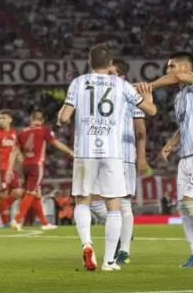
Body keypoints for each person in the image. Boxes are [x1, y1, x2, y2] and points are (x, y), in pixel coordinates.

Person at [59, 43, 157, 272]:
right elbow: (151, 111)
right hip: (113, 153)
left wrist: (61, 118)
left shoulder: (79, 82)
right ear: (110, 63)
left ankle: (87, 243)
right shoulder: (122, 85)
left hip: (85, 151)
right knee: (115, 206)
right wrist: (148, 98)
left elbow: (64, 117)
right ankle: (109, 261)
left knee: (82, 200)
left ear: (88, 61)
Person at [142, 51, 193, 268]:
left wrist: (149, 85)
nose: (168, 71)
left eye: (171, 67)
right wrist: (170, 144)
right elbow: (184, 126)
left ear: (185, 68)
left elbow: (176, 78)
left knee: (191, 201)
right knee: (183, 206)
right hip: (186, 157)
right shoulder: (179, 98)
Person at [109, 58, 146, 266]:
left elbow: (141, 131)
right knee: (104, 203)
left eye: (112, 73)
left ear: (122, 77)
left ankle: (123, 250)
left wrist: (141, 156)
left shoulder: (132, 96)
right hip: (105, 156)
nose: (108, 77)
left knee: (123, 203)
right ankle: (123, 235)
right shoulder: (101, 96)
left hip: (124, 156)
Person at [12, 110, 73, 231]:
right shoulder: (44, 130)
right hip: (36, 165)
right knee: (31, 192)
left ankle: (45, 223)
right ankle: (17, 220)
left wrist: (18, 162)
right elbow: (56, 143)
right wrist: (69, 151)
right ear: (42, 120)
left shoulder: (22, 132)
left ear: (31, 119)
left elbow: (15, 149)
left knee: (36, 194)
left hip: (25, 164)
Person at [0, 110, 23, 226]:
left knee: (19, 192)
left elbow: (16, 150)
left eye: (3, 118)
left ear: (10, 119)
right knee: (3, 194)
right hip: (1, 168)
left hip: (12, 169)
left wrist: (22, 160)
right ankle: (4, 223)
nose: (0, 120)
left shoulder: (14, 133)